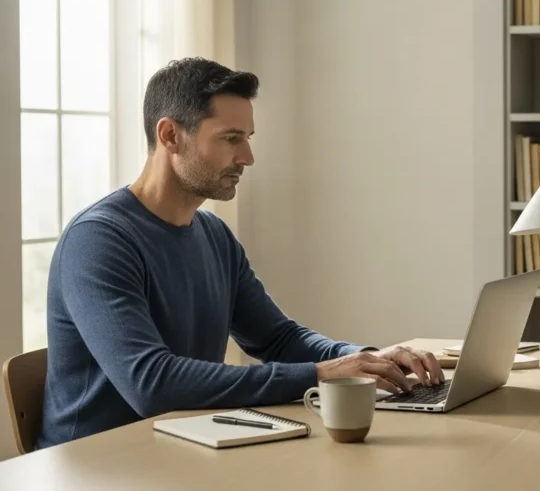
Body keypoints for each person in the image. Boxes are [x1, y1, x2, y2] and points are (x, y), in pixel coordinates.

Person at [36, 57, 443, 449]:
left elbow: (278, 338)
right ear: (170, 135)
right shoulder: (99, 241)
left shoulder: (212, 233)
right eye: (231, 139)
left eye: (247, 138)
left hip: (179, 449)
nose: (247, 157)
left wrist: (363, 359)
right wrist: (322, 374)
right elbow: (151, 385)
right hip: (95, 466)